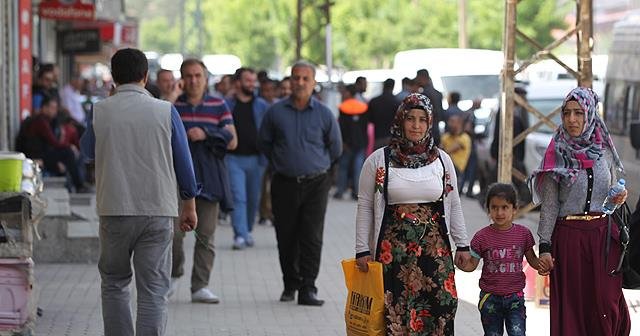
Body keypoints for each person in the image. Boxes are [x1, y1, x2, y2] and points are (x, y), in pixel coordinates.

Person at [79, 48, 199, 336]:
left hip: (114, 209)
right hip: (157, 211)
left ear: (113, 78)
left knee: (114, 283)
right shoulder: (165, 110)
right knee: (154, 289)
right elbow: (183, 161)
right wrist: (190, 205)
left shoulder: (100, 111)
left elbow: (85, 152)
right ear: (145, 77)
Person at [355, 93, 470, 334]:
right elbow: (365, 205)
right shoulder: (379, 161)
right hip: (392, 254)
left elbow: (454, 203)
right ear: (400, 121)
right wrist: (362, 250)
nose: (416, 126)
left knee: (441, 308)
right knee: (396, 314)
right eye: (410, 119)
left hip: (434, 253)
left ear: (430, 124)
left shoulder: (442, 161)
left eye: (422, 120)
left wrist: (462, 245)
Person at [529, 87, 630, 336]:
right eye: (567, 113)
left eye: (579, 113)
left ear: (590, 114)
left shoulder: (605, 150)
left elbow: (609, 198)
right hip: (570, 239)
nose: (572, 119)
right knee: (574, 307)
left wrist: (618, 198)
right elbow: (550, 205)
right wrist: (545, 247)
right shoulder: (556, 153)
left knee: (606, 303)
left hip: (603, 237)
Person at [258, 60, 342, 306]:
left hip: (316, 183)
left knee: (312, 236)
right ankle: (290, 283)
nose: (300, 83)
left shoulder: (324, 113)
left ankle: (308, 288)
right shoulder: (275, 112)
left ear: (314, 83)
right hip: (284, 182)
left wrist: (319, 166)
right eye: (296, 78)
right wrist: (280, 163)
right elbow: (265, 143)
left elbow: (335, 148)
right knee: (286, 235)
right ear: (290, 81)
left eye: (306, 79)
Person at [171, 58, 238, 303]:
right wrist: (171, 95)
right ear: (182, 79)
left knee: (205, 236)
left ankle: (200, 286)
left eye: (198, 75)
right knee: (173, 235)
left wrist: (206, 133)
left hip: (209, 180)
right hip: (177, 182)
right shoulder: (173, 106)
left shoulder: (218, 105)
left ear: (205, 78)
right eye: (188, 76)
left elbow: (232, 141)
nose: (193, 80)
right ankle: (173, 274)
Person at [458, 183, 541, 336]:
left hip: (515, 298)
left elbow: (533, 260)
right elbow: (471, 265)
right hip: (490, 299)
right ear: (488, 209)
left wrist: (544, 265)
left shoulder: (524, 234)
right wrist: (460, 263)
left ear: (514, 209)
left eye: (504, 207)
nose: (499, 212)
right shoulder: (481, 237)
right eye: (494, 207)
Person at [225, 67, 269, 249]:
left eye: (253, 81)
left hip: (257, 160)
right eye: (248, 80)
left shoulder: (262, 106)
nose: (252, 84)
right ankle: (240, 235)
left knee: (253, 198)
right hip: (233, 159)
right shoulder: (227, 105)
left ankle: (247, 230)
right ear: (238, 83)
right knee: (238, 197)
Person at [334, 84, 368, 200]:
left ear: (348, 93)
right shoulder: (363, 107)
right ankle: (356, 192)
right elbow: (365, 127)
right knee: (358, 168)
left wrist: (342, 141)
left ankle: (340, 191)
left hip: (347, 143)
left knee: (343, 167)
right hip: (360, 142)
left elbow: (341, 127)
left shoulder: (343, 108)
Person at [441, 114, 472, 190]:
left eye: (452, 122)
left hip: (457, 171)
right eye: (449, 121)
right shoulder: (445, 136)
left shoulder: (464, 138)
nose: (449, 124)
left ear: (459, 123)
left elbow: (446, 152)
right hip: (445, 168)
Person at [368, 78, 399, 150]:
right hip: (392, 137)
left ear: (383, 86)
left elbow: (370, 119)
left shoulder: (374, 101)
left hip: (378, 136)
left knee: (377, 159)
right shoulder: (397, 102)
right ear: (393, 86)